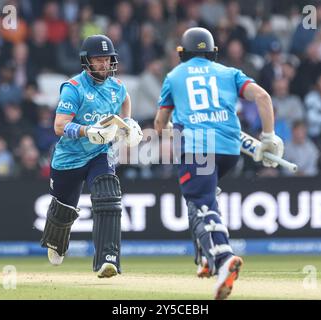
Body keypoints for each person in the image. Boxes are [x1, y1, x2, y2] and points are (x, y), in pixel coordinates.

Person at [154, 27, 284, 300]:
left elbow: (159, 122)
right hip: (228, 150)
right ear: (212, 53)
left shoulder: (174, 76)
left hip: (197, 150)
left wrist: (169, 133)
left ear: (183, 54)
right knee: (201, 199)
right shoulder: (229, 72)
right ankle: (207, 261)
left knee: (201, 203)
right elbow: (263, 97)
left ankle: (224, 258)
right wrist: (269, 137)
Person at [40, 35, 143, 278]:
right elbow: (59, 126)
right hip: (69, 159)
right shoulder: (73, 88)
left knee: (108, 195)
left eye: (107, 59)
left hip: (99, 153)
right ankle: (56, 241)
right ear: (87, 62)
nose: (104, 64)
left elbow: (125, 99)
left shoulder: (117, 87)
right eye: (98, 59)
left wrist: (126, 122)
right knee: (63, 211)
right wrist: (88, 130)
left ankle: (108, 259)